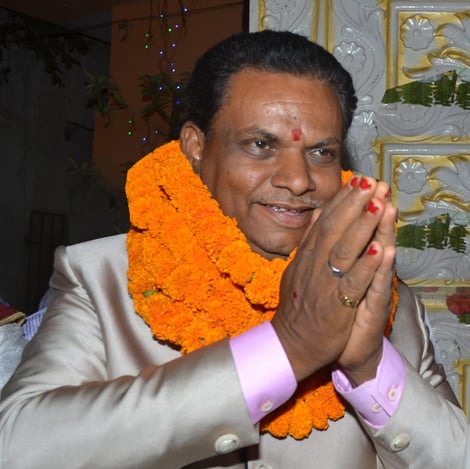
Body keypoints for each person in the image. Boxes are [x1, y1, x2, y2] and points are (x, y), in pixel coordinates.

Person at [0, 30, 466, 468]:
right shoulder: (100, 278)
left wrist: (369, 366)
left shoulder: (385, 300)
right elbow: (20, 447)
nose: (298, 180)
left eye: (321, 152)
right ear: (196, 147)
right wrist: (288, 346)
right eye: (261, 144)